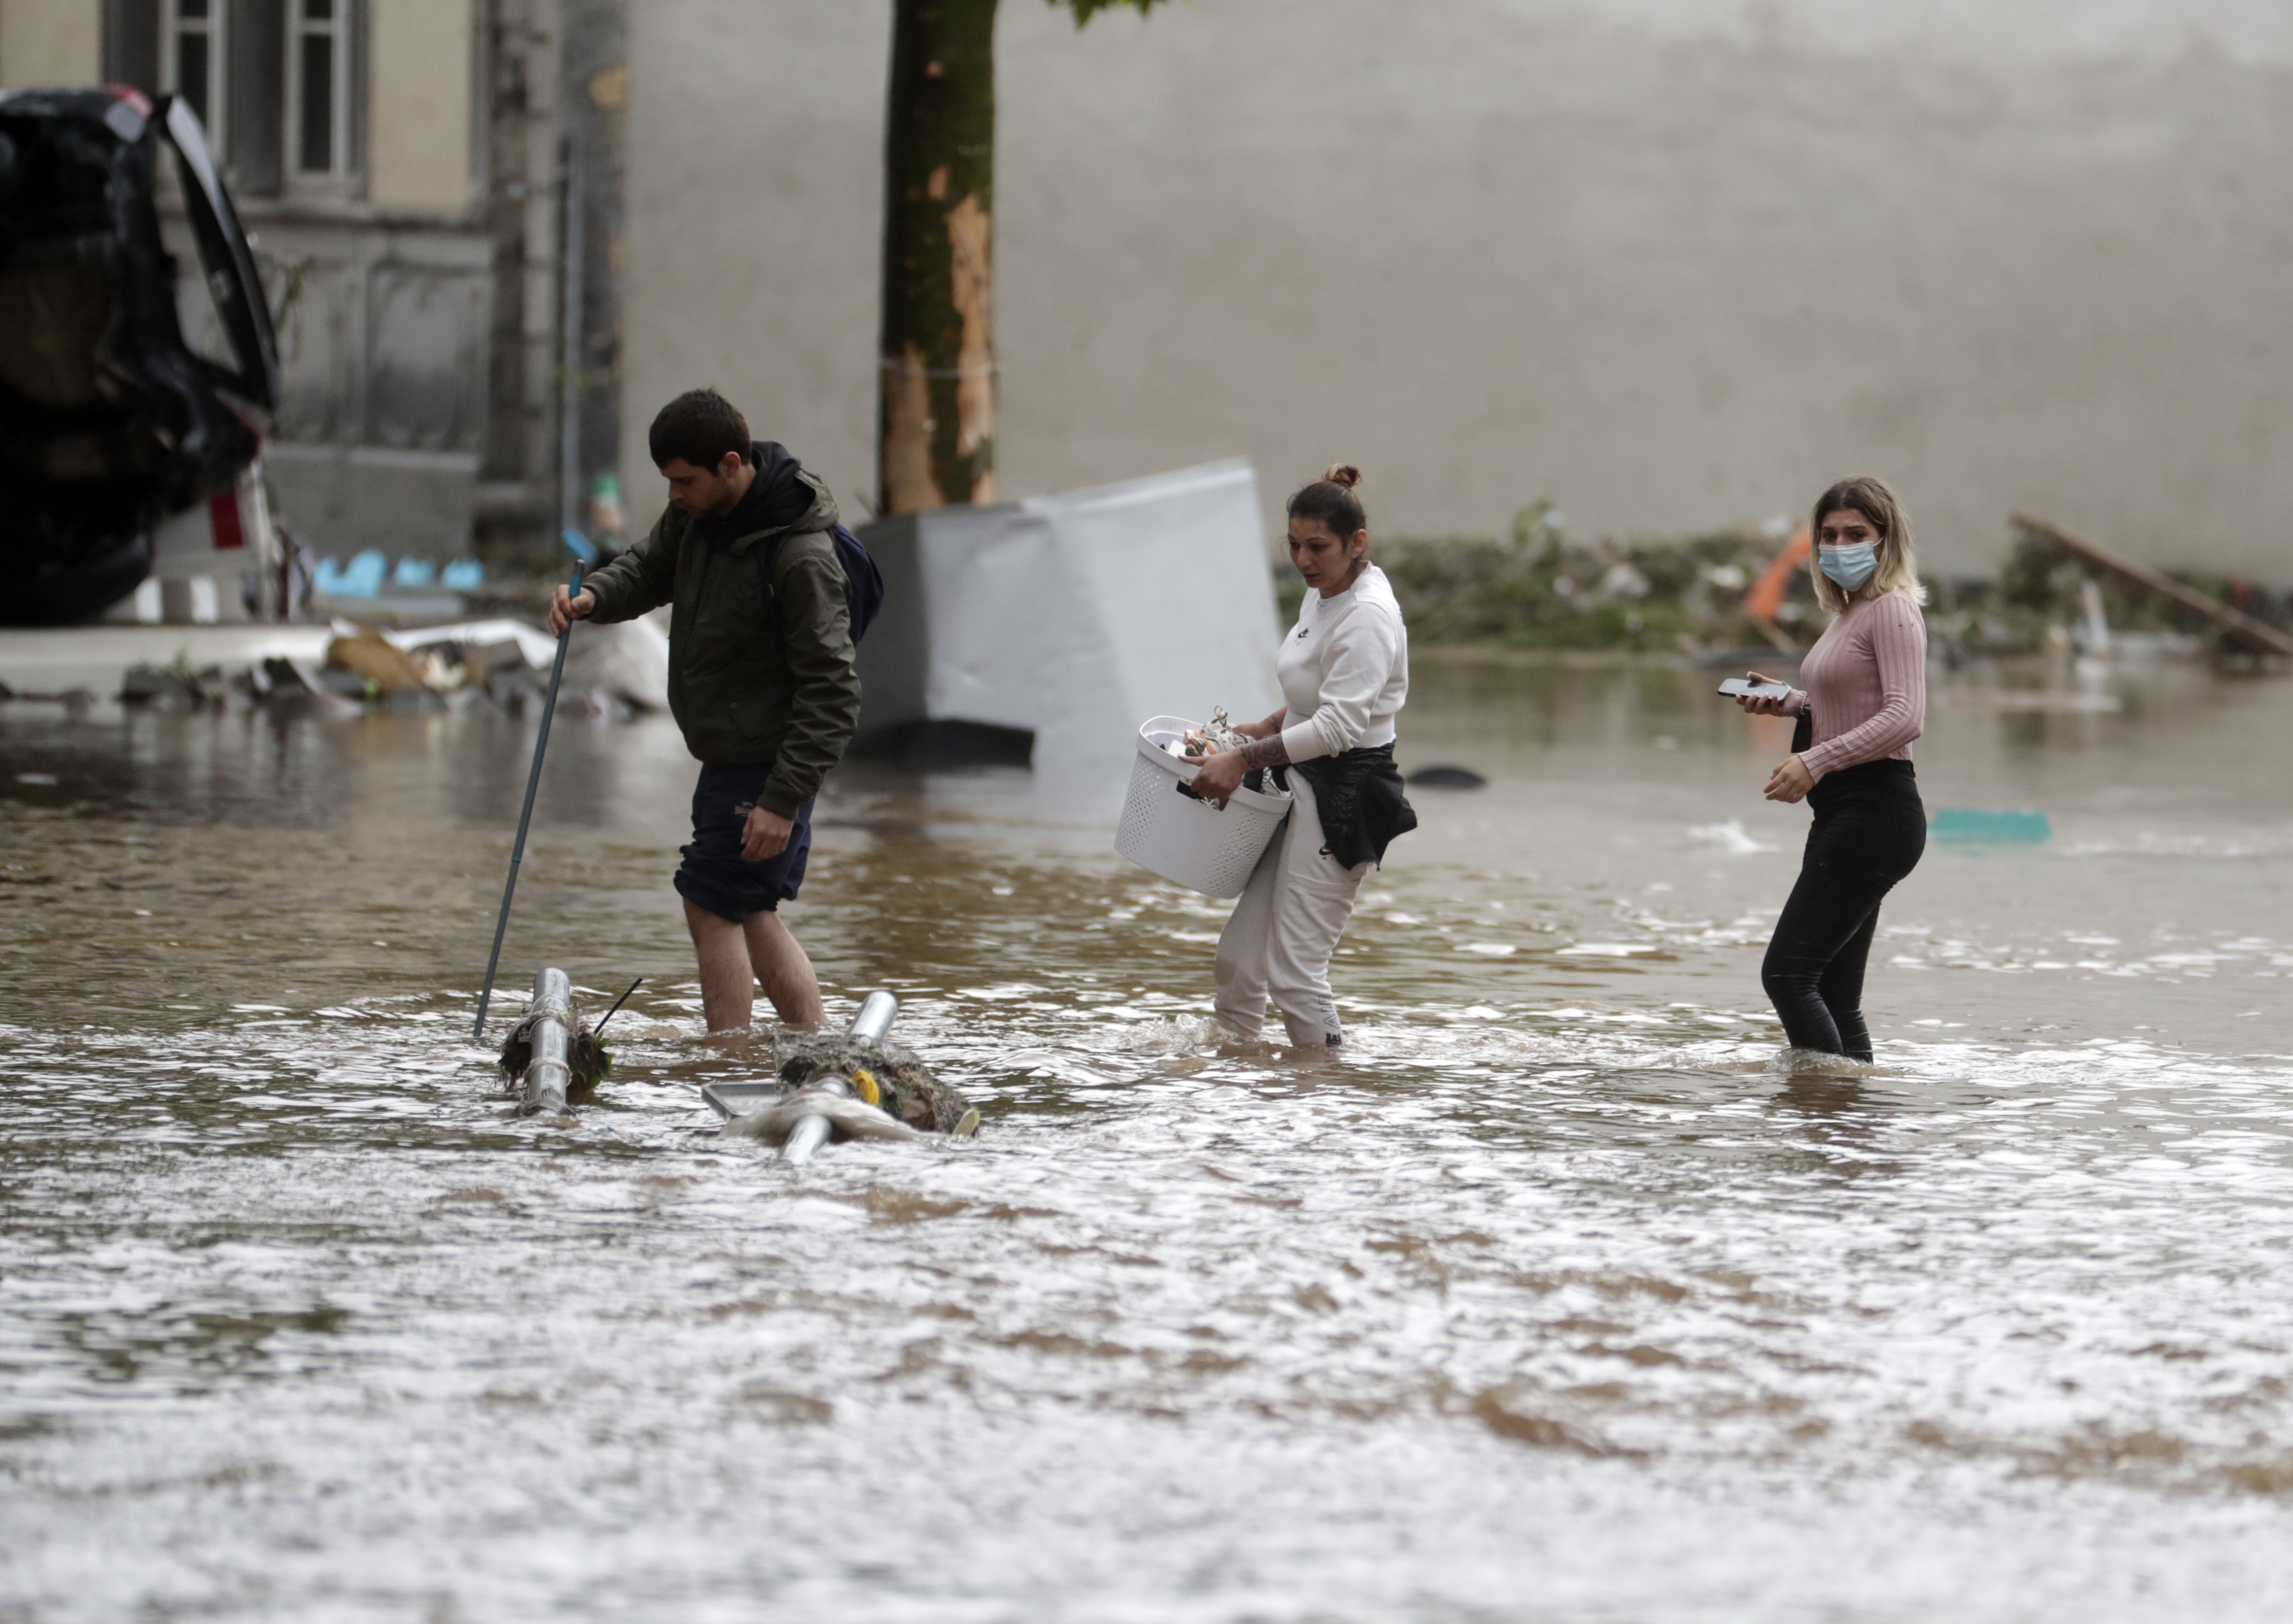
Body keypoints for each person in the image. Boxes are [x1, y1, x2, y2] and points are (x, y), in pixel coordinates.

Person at [547, 389, 860, 1032]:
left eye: (683, 480)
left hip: (768, 763)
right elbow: (646, 568)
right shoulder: (697, 519)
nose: (674, 495)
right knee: (749, 907)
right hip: (727, 755)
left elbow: (833, 690)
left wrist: (783, 798)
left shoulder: (800, 557)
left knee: (709, 900)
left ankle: (727, 1054)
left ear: (727, 464)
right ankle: (814, 1042)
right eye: (667, 481)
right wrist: (592, 599)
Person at [1187, 465, 1416, 1049]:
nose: (1304, 560)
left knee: (1296, 976)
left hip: (1347, 793)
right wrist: (1265, 726)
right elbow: (1316, 694)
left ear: (1356, 543)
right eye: (1294, 545)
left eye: (1318, 547)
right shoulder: (1326, 596)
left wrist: (1241, 761)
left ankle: (1327, 1110)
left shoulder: (1367, 616)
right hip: (1301, 779)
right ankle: (1237, 1093)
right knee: (1240, 962)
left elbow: (1340, 727)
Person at [1733, 475, 1928, 1061]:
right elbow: (1855, 703)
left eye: (1856, 534)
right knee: (1836, 998)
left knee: (1788, 978)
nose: (1841, 545)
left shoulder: (1892, 610)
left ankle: (1819, 1115)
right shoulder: (1854, 612)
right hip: (1849, 813)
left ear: (1886, 539)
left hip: (1875, 814)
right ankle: (1849, 1131)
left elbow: (1906, 716)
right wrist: (1791, 703)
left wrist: (1814, 760)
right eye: (1828, 535)